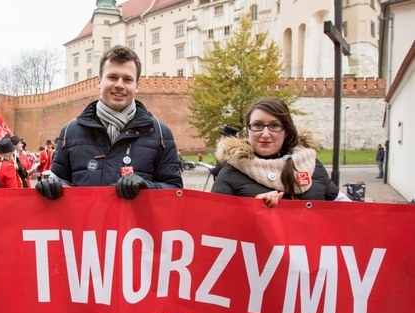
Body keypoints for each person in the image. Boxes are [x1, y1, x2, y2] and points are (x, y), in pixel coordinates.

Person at [36, 45, 182, 200]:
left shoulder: (159, 133)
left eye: (127, 79)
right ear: (99, 81)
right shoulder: (70, 131)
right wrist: (52, 186)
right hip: (87, 223)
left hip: (134, 224)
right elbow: (60, 178)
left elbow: (175, 190)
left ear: (137, 86)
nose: (119, 84)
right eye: (112, 77)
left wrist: (148, 187)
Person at [211, 97, 350, 207]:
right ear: (248, 130)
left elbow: (349, 212)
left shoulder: (311, 165)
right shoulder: (231, 173)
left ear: (286, 131)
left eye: (274, 125)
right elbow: (214, 224)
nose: (265, 134)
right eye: (257, 125)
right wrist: (254, 207)